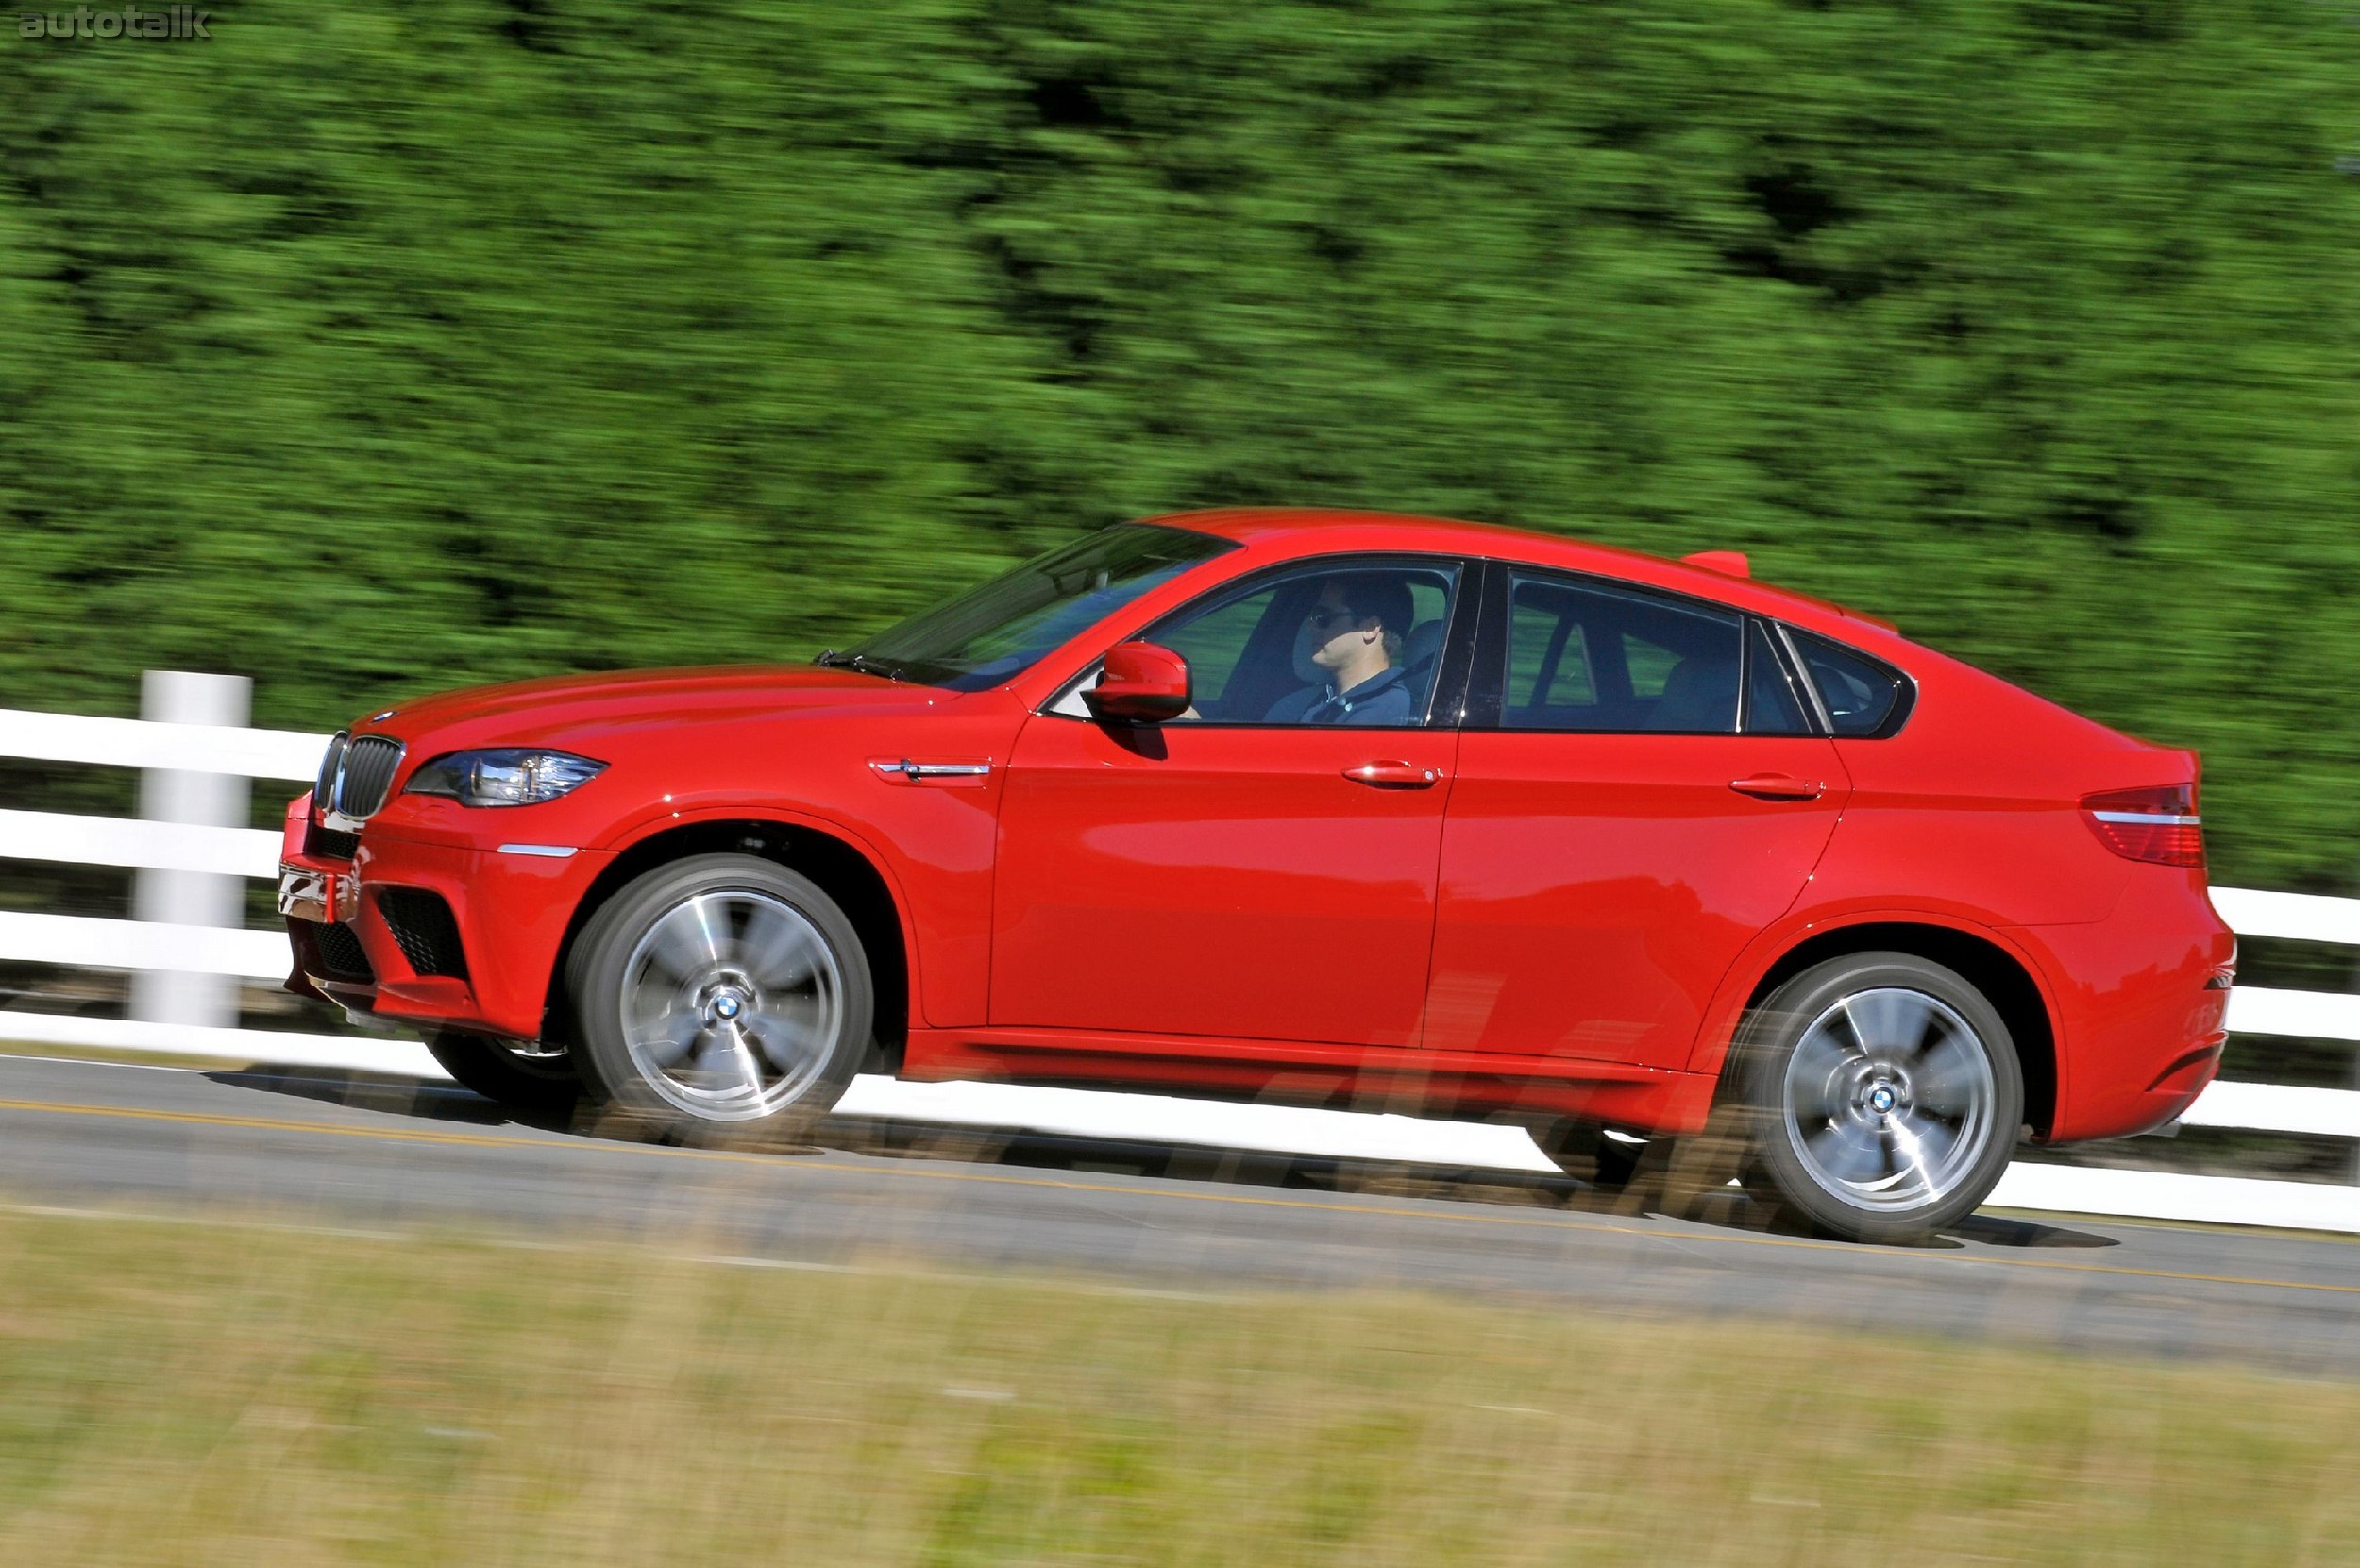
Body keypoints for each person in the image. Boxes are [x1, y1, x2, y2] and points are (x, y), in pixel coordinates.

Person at [1264, 573, 1418, 725]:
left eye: (1323, 617)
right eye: (1313, 616)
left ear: (1370, 628)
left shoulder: (1383, 711)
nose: (1311, 626)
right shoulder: (1317, 702)